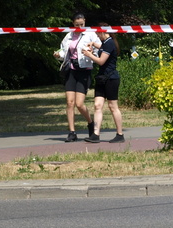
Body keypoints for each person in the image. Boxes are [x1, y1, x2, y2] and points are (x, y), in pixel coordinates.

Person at [53, 12, 98, 142]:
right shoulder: (69, 35)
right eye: (77, 25)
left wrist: (91, 52)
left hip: (84, 70)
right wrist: (58, 54)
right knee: (69, 102)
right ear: (73, 24)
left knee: (79, 104)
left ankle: (90, 123)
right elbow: (63, 51)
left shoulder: (90, 34)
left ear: (85, 21)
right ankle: (72, 132)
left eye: (82, 24)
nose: (79, 27)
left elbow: (99, 49)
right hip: (71, 71)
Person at [81, 26, 124, 143]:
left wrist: (89, 55)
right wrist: (93, 44)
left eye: (97, 34)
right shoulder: (106, 43)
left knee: (112, 106)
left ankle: (120, 134)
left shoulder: (109, 43)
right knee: (97, 105)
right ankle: (96, 134)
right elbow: (102, 48)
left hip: (111, 79)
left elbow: (101, 61)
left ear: (102, 31)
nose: (97, 36)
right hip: (101, 78)